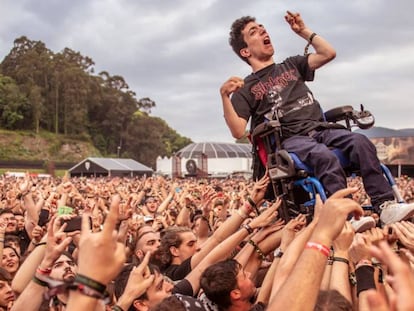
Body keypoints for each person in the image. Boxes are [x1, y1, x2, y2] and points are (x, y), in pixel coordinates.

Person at [220, 11, 414, 229]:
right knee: (324, 156)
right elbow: (237, 130)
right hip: (292, 140)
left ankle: (385, 204)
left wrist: (303, 31)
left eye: (262, 27)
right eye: (253, 32)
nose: (263, 30)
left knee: (361, 142)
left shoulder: (291, 65)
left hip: (321, 129)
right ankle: (346, 215)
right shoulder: (247, 88)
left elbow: (328, 53)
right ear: (245, 51)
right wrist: (225, 96)